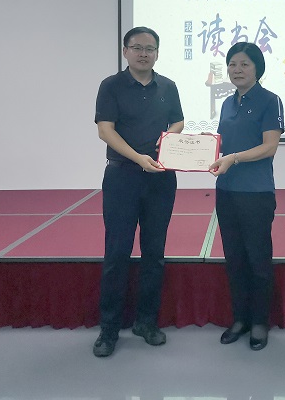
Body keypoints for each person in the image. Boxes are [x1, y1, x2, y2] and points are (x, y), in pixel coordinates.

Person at [93, 26, 184, 358]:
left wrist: (167, 140)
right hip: (122, 177)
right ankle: (109, 329)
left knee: (154, 253)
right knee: (116, 253)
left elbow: (178, 122)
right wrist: (138, 158)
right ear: (125, 51)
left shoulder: (168, 86)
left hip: (161, 178)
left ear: (157, 53)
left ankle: (146, 322)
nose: (144, 53)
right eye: (137, 47)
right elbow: (105, 130)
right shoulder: (111, 86)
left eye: (150, 48)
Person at [209, 42, 284, 351]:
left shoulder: (270, 100)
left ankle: (259, 322)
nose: (237, 70)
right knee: (235, 259)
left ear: (257, 69)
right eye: (232, 64)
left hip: (256, 193)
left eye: (244, 64)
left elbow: (269, 146)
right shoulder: (228, 103)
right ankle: (240, 319)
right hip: (226, 191)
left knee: (257, 259)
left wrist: (233, 158)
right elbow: (221, 144)